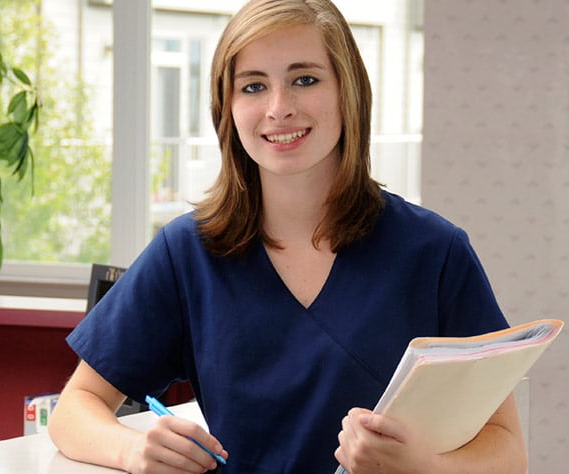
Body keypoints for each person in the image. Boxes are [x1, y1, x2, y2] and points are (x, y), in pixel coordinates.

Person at [48, 0, 527, 472]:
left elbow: (507, 449)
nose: (279, 108)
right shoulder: (187, 252)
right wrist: (133, 449)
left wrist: (423, 466)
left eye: (305, 80)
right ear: (228, 107)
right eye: (253, 86)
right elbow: (75, 409)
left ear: (348, 91)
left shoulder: (434, 253)